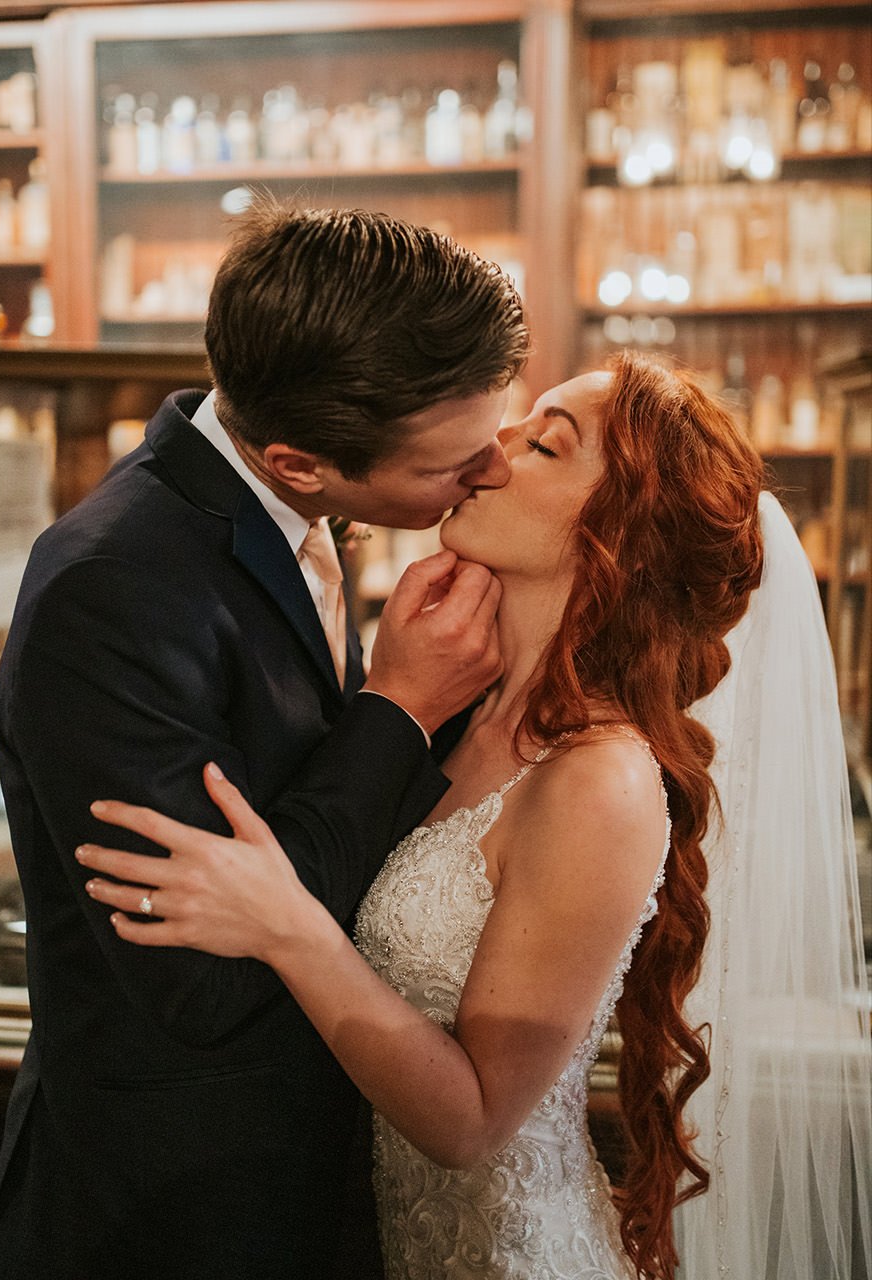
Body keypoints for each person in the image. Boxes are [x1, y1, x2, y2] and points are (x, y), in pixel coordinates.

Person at [82, 353, 871, 1277]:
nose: (491, 451)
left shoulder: (600, 781)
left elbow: (475, 1122)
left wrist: (285, 925)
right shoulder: (458, 710)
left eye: (543, 443)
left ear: (619, 534)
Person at [0, 206, 527, 1279]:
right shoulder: (110, 588)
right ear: (300, 461)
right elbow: (202, 978)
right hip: (169, 1211)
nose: (493, 471)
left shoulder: (283, 512)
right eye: (453, 464)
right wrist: (400, 708)